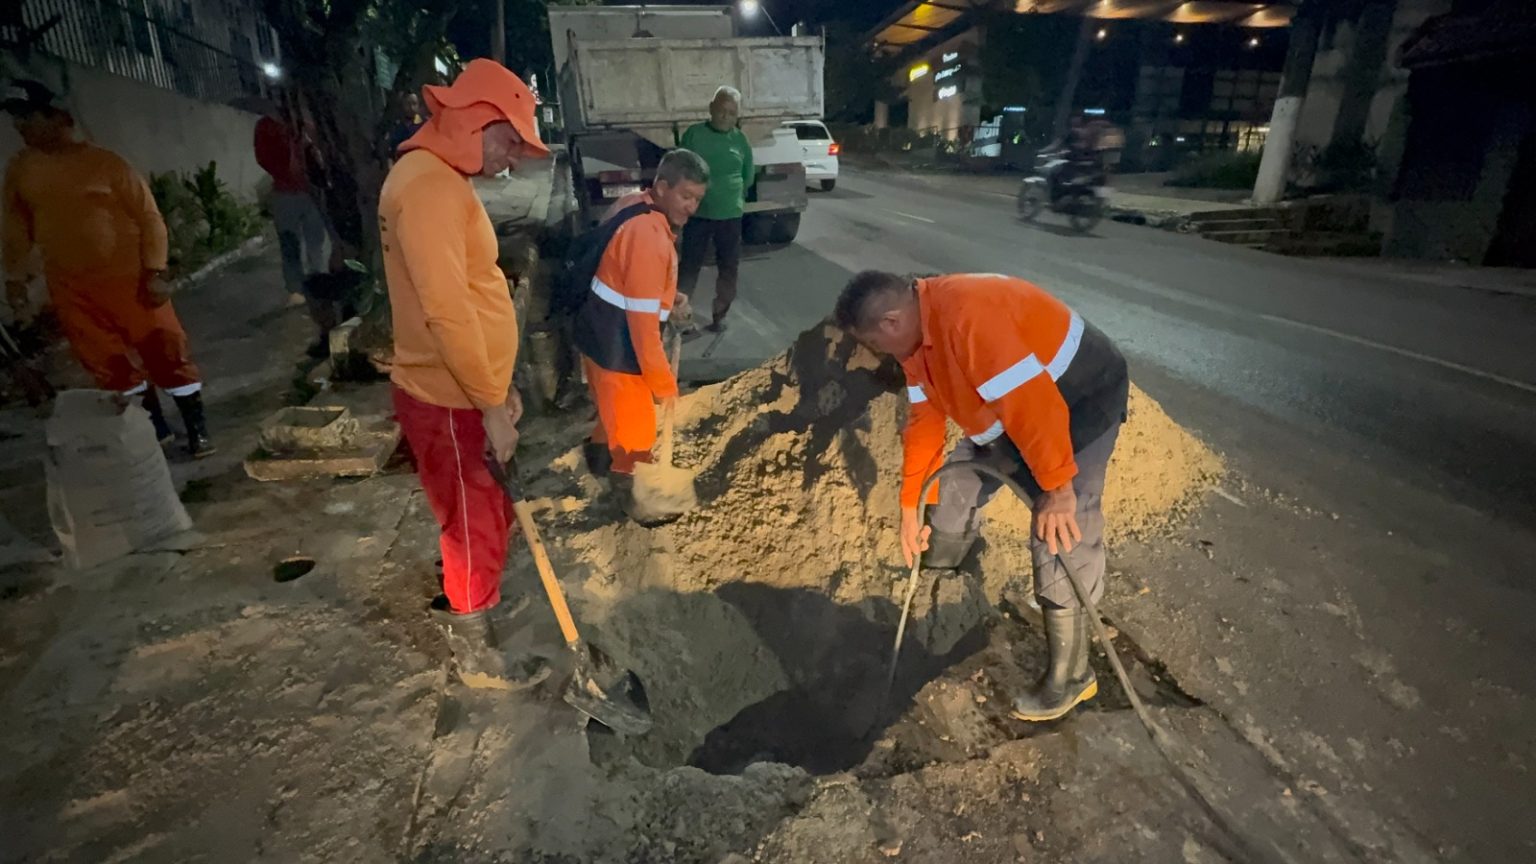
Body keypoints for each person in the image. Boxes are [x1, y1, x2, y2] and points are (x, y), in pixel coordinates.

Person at [833, 271, 1129, 722]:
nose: (878, 354)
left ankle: (1072, 676)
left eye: (875, 343)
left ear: (892, 321)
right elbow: (925, 420)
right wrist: (910, 507)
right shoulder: (918, 337)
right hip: (1006, 413)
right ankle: (940, 589)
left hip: (1078, 399)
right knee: (955, 487)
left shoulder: (970, 318)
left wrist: (1058, 490)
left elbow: (1035, 408)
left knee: (1058, 529)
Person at [378, 59, 552, 689]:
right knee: (474, 519)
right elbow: (446, 312)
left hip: (467, 391)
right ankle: (477, 652)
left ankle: (474, 596)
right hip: (450, 398)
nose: (511, 159)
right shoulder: (427, 189)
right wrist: (488, 407)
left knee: (479, 511)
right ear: (477, 119)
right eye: (508, 140)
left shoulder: (437, 179)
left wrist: (499, 391)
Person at [2, 81, 215, 456]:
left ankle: (197, 429)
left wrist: (156, 271)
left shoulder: (106, 163)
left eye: (28, 117)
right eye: (16, 119)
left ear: (58, 117)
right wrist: (16, 281)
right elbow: (15, 230)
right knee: (107, 363)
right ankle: (153, 429)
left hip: (131, 281)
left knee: (165, 349)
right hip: (72, 288)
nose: (21, 127)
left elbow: (149, 218)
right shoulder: (21, 171)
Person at [570, 149, 708, 518]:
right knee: (637, 439)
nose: (692, 207)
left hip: (596, 336)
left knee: (610, 414)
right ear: (662, 187)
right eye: (685, 196)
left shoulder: (634, 204)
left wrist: (669, 295)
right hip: (621, 350)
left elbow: (626, 274)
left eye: (697, 199)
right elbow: (643, 329)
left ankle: (598, 457)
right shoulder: (650, 236)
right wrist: (663, 385)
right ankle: (632, 507)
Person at [677, 86, 754, 334]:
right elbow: (681, 168)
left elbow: (748, 175)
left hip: (730, 216)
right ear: (711, 109)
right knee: (689, 265)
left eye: (732, 113)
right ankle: (681, 316)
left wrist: (734, 199)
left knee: (729, 267)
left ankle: (719, 315)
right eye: (721, 111)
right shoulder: (694, 135)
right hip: (697, 214)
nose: (725, 117)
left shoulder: (740, 140)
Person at [253, 96, 329, 315]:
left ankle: (317, 282)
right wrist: (285, 162)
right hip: (285, 192)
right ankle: (295, 290)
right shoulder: (267, 126)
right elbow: (263, 157)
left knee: (316, 240)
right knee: (289, 242)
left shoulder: (307, 124)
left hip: (311, 191)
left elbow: (322, 153)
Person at [386, 90, 427, 158]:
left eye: (414, 104)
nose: (411, 108)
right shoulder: (396, 126)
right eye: (408, 104)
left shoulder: (425, 125)